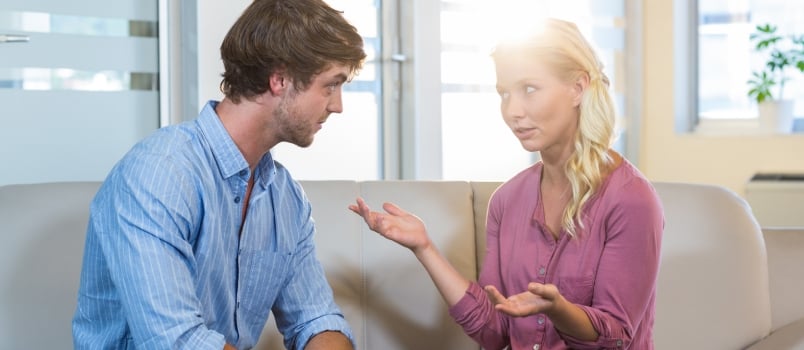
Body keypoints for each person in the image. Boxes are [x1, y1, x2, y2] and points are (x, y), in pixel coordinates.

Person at [350, 18, 663, 350]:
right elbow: (494, 330)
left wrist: (559, 310)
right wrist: (424, 247)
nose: (513, 111)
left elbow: (615, 336)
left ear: (578, 88)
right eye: (504, 94)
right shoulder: (507, 201)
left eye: (529, 89)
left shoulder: (631, 199)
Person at [72, 1, 365, 349]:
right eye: (330, 85)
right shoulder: (160, 174)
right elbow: (179, 342)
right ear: (280, 79)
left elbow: (316, 319)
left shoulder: (285, 197)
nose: (337, 105)